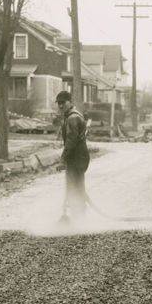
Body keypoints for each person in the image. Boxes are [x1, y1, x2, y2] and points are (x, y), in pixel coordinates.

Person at [56, 90, 90, 220]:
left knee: (74, 187)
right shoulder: (71, 116)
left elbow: (71, 141)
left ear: (70, 102)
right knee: (77, 186)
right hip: (78, 157)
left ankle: (78, 217)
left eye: (63, 102)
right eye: (58, 103)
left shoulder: (72, 118)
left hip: (77, 158)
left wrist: (62, 159)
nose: (60, 105)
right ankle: (79, 216)